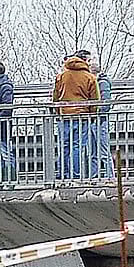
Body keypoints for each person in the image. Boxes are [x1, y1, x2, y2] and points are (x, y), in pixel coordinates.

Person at [53, 51, 99, 179]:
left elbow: (55, 97)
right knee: (77, 146)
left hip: (64, 116)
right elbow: (95, 100)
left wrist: (59, 112)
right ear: (84, 61)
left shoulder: (61, 76)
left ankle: (63, 174)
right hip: (81, 116)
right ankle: (76, 176)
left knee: (64, 146)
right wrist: (92, 116)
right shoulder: (89, 77)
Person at [89, 59, 115, 179]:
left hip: (99, 120)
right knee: (94, 151)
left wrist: (96, 113)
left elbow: (106, 103)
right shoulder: (100, 82)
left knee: (103, 150)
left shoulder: (102, 83)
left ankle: (110, 176)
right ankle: (95, 176)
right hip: (95, 120)